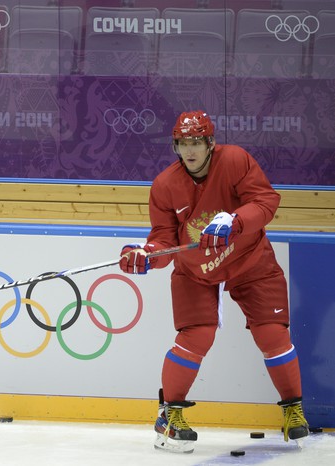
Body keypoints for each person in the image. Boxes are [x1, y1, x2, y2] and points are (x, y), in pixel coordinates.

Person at [119, 110, 308, 453]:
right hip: (195, 271)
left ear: (210, 143)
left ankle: (293, 409)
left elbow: (266, 201)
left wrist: (237, 221)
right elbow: (164, 241)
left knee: (273, 333)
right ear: (175, 146)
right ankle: (169, 415)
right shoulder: (164, 185)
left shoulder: (235, 160)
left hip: (250, 258)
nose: (189, 151)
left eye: (196, 143)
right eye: (182, 144)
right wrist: (146, 255)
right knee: (196, 336)